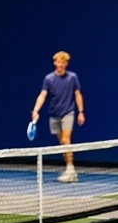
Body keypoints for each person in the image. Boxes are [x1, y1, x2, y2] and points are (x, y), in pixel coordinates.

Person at [30, 51, 86, 182]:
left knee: (66, 140)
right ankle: (69, 168)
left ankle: (70, 169)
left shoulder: (72, 77)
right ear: (55, 63)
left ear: (66, 64)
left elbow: (78, 95)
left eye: (63, 62)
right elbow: (42, 95)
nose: (60, 64)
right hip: (54, 114)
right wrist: (36, 110)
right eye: (58, 62)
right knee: (62, 143)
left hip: (68, 112)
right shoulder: (48, 79)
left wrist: (81, 112)